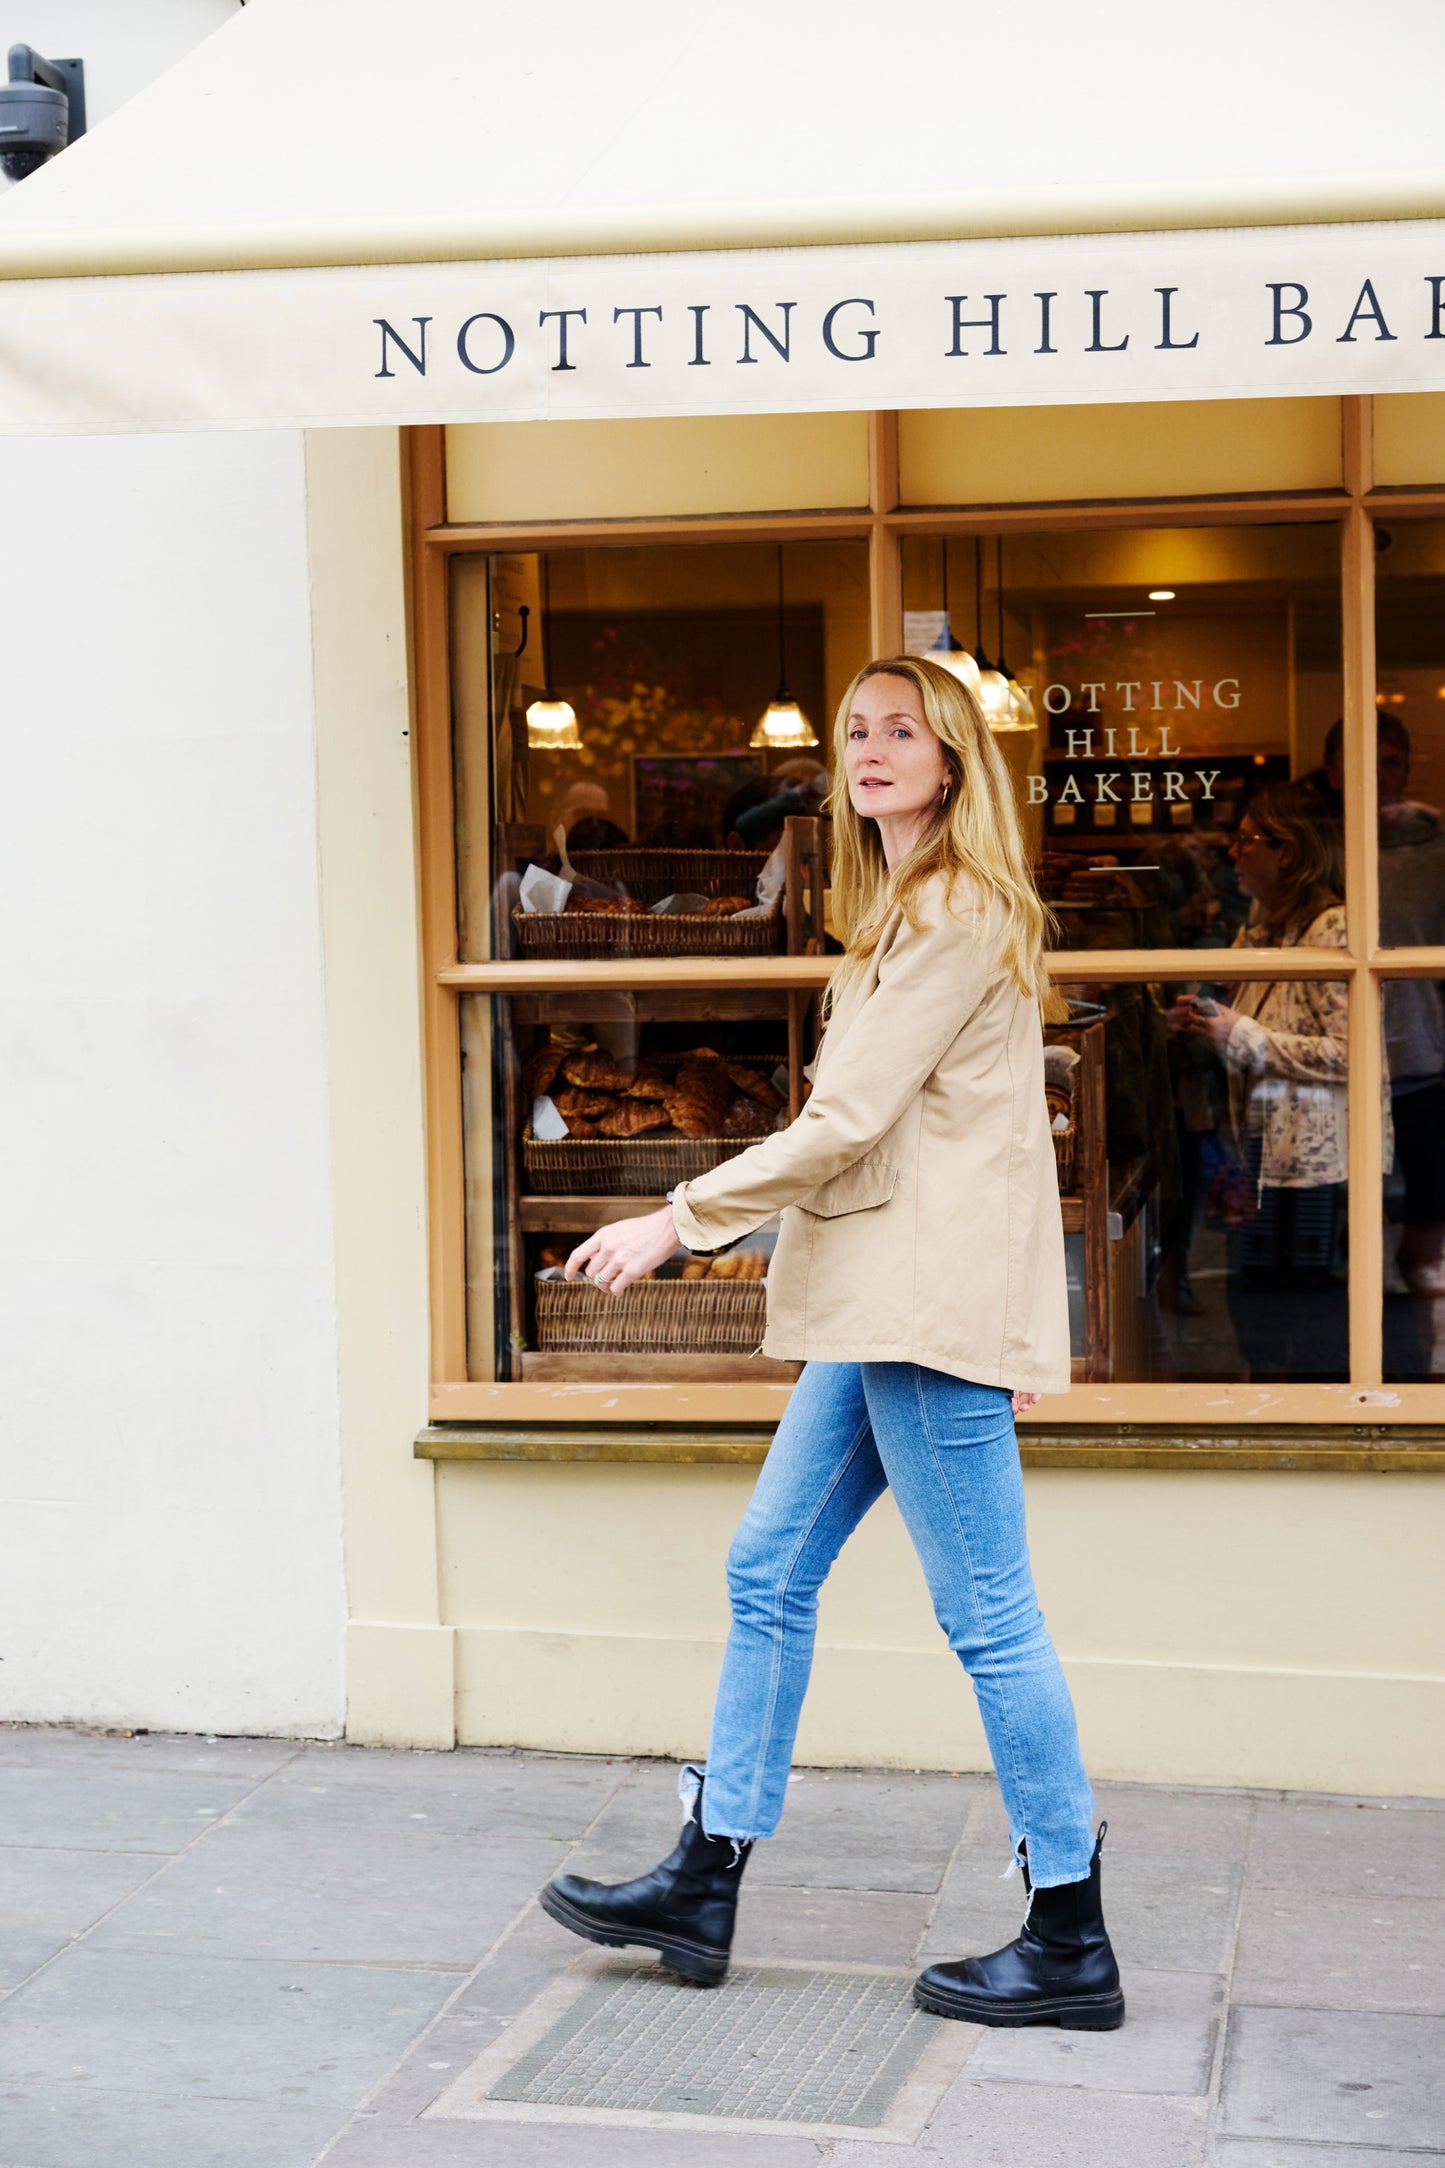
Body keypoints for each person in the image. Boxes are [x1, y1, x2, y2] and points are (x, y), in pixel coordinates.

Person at [538, 655, 1124, 2032]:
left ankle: (1069, 1930)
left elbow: (846, 1123)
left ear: (952, 758)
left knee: (988, 1619)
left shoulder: (954, 912)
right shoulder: (905, 912)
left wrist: (678, 1220)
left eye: (899, 731)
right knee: (768, 1570)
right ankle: (705, 1875)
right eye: (855, 731)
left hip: (916, 1315)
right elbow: (961, 1134)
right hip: (887, 1304)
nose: (869, 750)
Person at [1168, 781, 1350, 1380]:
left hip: (1315, 1163)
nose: (1232, 853)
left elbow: (1348, 1055)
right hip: (1263, 1151)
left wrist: (1239, 1035)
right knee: (1258, 1307)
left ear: (1288, 853)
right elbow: (1257, 1025)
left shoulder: (1333, 930)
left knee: (1301, 1312)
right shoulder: (1264, 928)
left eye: (1247, 841)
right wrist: (1201, 1022)